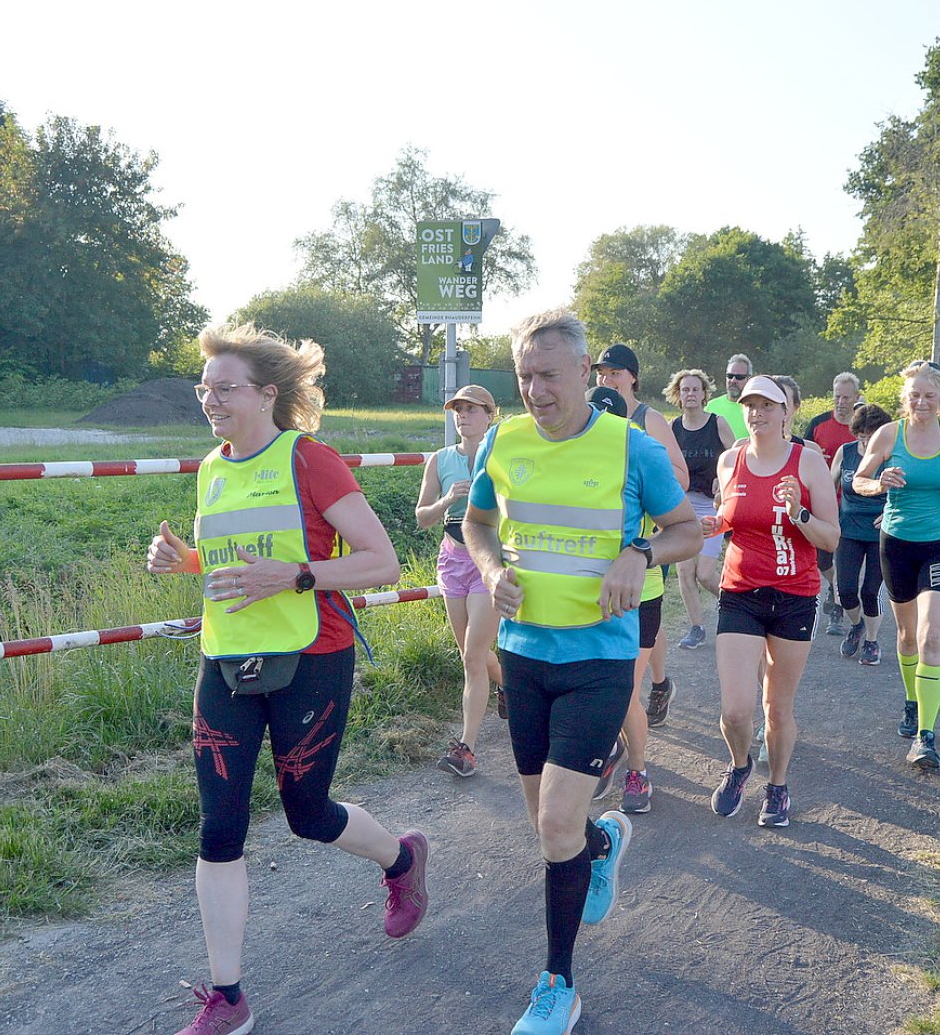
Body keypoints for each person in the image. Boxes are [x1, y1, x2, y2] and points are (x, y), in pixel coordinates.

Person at [146, 324, 429, 1035]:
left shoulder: (311, 461)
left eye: (225, 388)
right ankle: (227, 995)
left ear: (268, 393)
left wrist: (299, 575)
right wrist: (183, 562)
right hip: (225, 661)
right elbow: (232, 563)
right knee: (219, 826)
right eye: (203, 389)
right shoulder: (211, 468)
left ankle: (401, 859)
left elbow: (381, 562)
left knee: (307, 813)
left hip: (310, 659)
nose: (210, 400)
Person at [465, 311, 699, 1035]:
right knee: (551, 827)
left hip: (598, 659)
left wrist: (641, 554)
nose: (535, 390)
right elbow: (474, 525)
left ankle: (557, 984)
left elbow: (687, 528)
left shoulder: (630, 448)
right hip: (523, 656)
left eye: (548, 375)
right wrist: (491, 567)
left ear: (585, 370)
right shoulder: (500, 444)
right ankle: (604, 844)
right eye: (524, 377)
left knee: (556, 819)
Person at [705, 375, 840, 827]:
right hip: (741, 591)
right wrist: (714, 527)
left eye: (767, 406)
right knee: (735, 709)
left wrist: (799, 513)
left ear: (786, 413)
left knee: (776, 710)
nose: (757, 413)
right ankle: (740, 765)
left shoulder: (809, 463)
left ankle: (778, 786)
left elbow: (831, 538)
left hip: (795, 595)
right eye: (750, 405)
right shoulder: (730, 461)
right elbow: (732, 516)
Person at [850, 359, 940, 770]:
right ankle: (912, 700)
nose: (922, 402)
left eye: (929, 395)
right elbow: (858, 479)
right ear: (904, 398)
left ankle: (926, 736)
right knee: (907, 637)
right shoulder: (890, 434)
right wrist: (879, 483)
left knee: (932, 638)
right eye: (914, 396)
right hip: (897, 545)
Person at [593, 344, 689, 816]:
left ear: (631, 377)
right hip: (589, 584)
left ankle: (637, 768)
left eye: (614, 373)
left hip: (641, 572)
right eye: (601, 373)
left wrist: (637, 466)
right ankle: (605, 751)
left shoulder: (649, 422)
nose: (607, 379)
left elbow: (679, 478)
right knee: (599, 684)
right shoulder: (583, 421)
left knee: (622, 689)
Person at [415, 384, 505, 778]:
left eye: (471, 409)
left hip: (489, 559)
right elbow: (423, 517)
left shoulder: (503, 456)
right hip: (452, 558)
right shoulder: (440, 459)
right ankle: (511, 685)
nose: (463, 416)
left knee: (472, 656)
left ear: (490, 415)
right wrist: (448, 499)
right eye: (458, 410)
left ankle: (466, 748)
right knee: (472, 653)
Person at [665, 368, 735, 658]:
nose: (690, 394)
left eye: (695, 389)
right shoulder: (673, 428)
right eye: (685, 390)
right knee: (684, 570)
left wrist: (724, 483)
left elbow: (735, 459)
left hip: (713, 505)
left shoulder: (717, 423)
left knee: (705, 574)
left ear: (704, 394)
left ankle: (732, 605)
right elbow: (664, 465)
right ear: (677, 395)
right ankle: (697, 627)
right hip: (684, 506)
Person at [831, 402, 893, 666]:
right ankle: (856, 625)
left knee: (870, 591)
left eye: (872, 433)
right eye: (862, 434)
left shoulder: (892, 456)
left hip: (880, 531)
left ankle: (871, 640)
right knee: (845, 590)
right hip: (848, 530)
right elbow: (825, 485)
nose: (866, 439)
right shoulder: (845, 452)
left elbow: (909, 491)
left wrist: (891, 511)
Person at [802, 373, 861, 635]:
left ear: (856, 398)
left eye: (846, 397)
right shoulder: (818, 424)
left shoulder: (862, 426)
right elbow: (799, 452)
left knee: (843, 557)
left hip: (851, 505)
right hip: (821, 503)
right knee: (821, 558)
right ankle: (835, 586)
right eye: (837, 396)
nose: (841, 402)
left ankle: (837, 610)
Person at [704, 353, 753, 440]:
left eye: (739, 377)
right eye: (730, 376)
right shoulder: (711, 406)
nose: (733, 381)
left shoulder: (755, 409)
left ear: (749, 379)